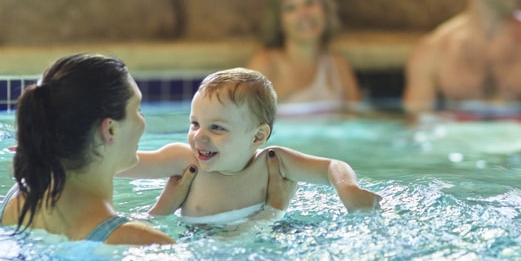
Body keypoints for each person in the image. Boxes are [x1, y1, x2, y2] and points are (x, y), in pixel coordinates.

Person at [123, 68, 381, 226]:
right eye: (194, 124)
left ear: (258, 137)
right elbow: (121, 163)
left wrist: (348, 189)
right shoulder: (184, 160)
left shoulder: (272, 163)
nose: (199, 136)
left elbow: (331, 166)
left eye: (217, 128)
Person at [0, 53, 174, 245]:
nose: (142, 121)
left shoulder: (15, 203)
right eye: (137, 110)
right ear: (110, 129)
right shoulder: (143, 241)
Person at [246, 0, 361, 116]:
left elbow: (357, 125)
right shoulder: (266, 67)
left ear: (324, 9)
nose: (303, 14)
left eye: (310, 3)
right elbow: (245, 128)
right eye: (291, 8)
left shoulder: (338, 67)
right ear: (279, 21)